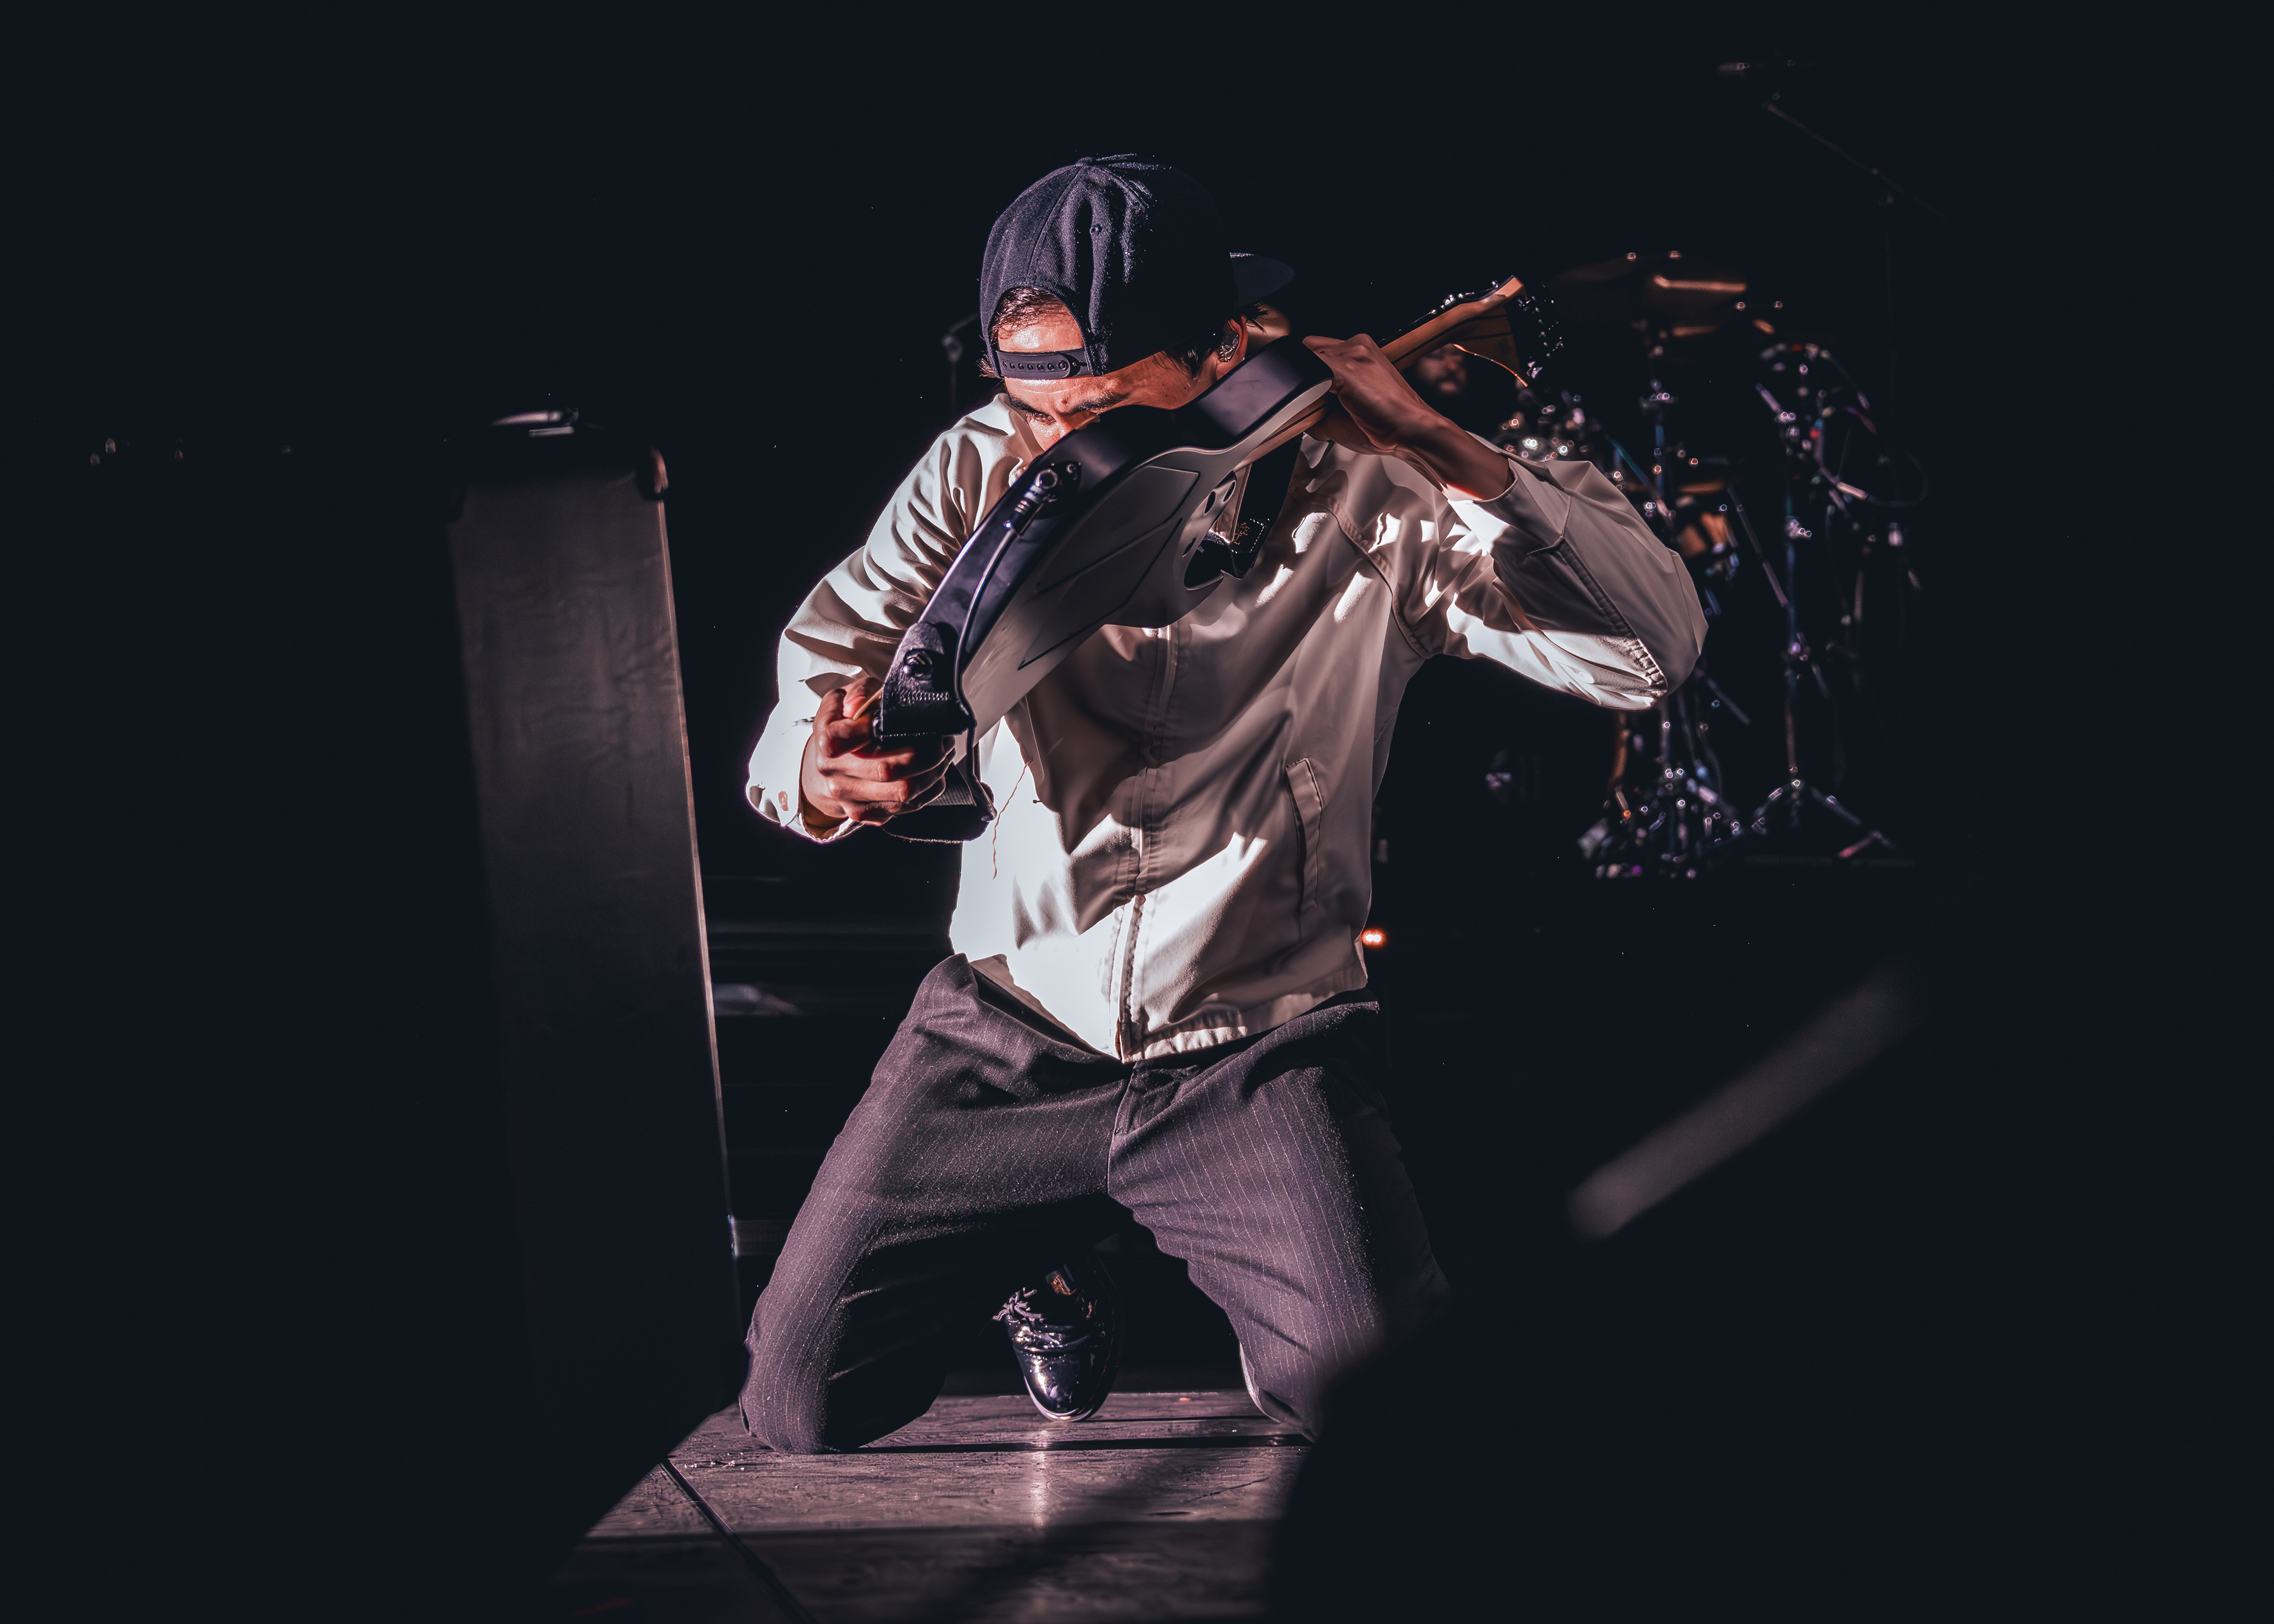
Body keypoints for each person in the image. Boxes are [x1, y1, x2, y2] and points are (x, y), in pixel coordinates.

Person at [737, 156, 1705, 1452]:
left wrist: (1442, 447)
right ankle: (1036, 1263)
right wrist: (820, 768)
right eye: (1039, 413)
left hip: (1257, 1050)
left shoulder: (1379, 488)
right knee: (799, 1404)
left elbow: (1645, 658)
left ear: (1226, 348)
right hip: (1006, 1032)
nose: (1066, 454)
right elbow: (821, 677)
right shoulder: (976, 470)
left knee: (1389, 1413)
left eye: (1108, 416)